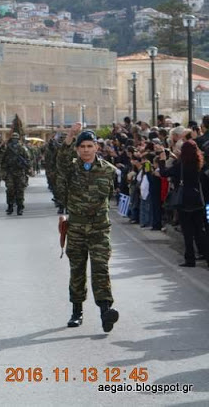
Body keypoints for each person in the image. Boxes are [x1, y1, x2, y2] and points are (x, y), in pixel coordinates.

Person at [56, 123, 119, 333]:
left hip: (100, 229)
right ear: (77, 148)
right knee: (77, 270)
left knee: (101, 269)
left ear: (96, 148)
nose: (85, 149)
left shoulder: (109, 171)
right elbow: (60, 158)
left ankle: (105, 311)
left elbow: (111, 196)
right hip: (76, 228)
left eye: (89, 146)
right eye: (82, 146)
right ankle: (77, 311)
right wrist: (70, 135)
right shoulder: (71, 168)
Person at [157, 140, 209, 267]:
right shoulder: (199, 163)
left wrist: (162, 160)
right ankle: (206, 257)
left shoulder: (180, 165)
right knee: (199, 231)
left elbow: (164, 173)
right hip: (198, 199)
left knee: (187, 232)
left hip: (184, 201)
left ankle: (190, 259)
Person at [1, 132, 31, 215]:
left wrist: (26, 166)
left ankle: (20, 207)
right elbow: (2, 160)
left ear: (18, 139)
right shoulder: (8, 149)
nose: (14, 140)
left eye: (16, 139)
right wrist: (4, 172)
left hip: (20, 172)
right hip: (10, 172)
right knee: (10, 190)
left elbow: (28, 159)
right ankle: (10, 206)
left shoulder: (22, 148)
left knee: (20, 190)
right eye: (13, 138)